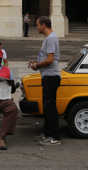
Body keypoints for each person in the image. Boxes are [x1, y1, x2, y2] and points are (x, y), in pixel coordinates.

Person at [30, 16, 61, 146]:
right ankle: (47, 134)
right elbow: (47, 58)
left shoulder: (51, 39)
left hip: (51, 76)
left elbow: (50, 60)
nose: (36, 27)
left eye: (37, 25)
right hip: (47, 76)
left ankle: (55, 137)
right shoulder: (48, 39)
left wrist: (37, 65)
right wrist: (36, 63)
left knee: (50, 108)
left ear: (43, 25)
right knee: (47, 107)